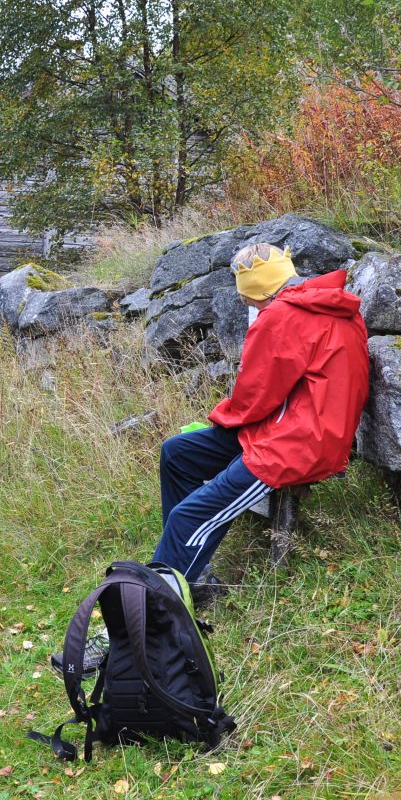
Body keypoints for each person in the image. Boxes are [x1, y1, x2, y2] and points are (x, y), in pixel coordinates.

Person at [151, 242, 370, 607]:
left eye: (247, 298)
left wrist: (221, 417)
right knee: (178, 454)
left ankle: (160, 608)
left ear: (256, 292)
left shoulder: (281, 316)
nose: (248, 305)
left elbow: (254, 396)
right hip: (308, 428)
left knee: (188, 516)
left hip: (298, 444)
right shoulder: (329, 304)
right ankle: (193, 573)